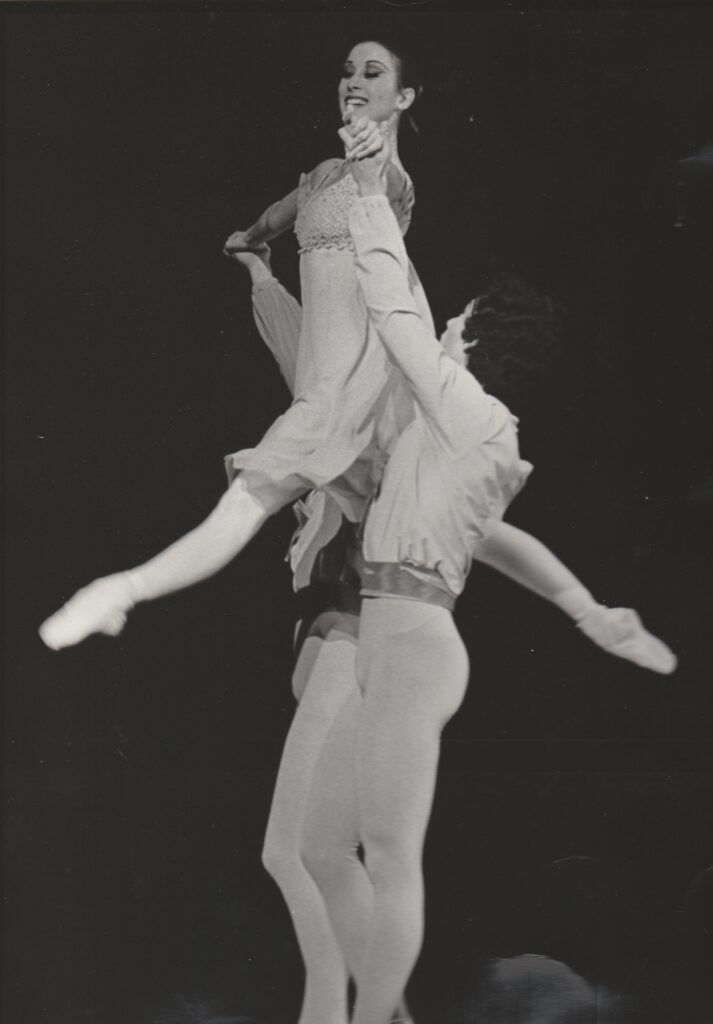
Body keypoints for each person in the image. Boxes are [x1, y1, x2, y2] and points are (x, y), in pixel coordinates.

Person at [229, 228, 675, 1024]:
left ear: (472, 332)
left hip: (395, 635)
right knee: (316, 851)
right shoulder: (443, 425)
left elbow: (392, 316)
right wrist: (588, 611)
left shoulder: (458, 411)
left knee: (369, 855)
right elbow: (319, 372)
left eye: (458, 315)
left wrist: (363, 201)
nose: (446, 320)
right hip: (381, 629)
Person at [38, 38, 425, 651]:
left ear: (402, 97)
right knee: (276, 509)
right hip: (321, 378)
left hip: (364, 388)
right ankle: (123, 592)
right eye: (347, 71)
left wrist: (372, 156)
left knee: (269, 504)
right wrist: (248, 242)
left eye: (373, 74)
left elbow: (386, 189)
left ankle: (120, 591)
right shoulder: (324, 174)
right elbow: (281, 214)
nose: (353, 80)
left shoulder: (391, 181)